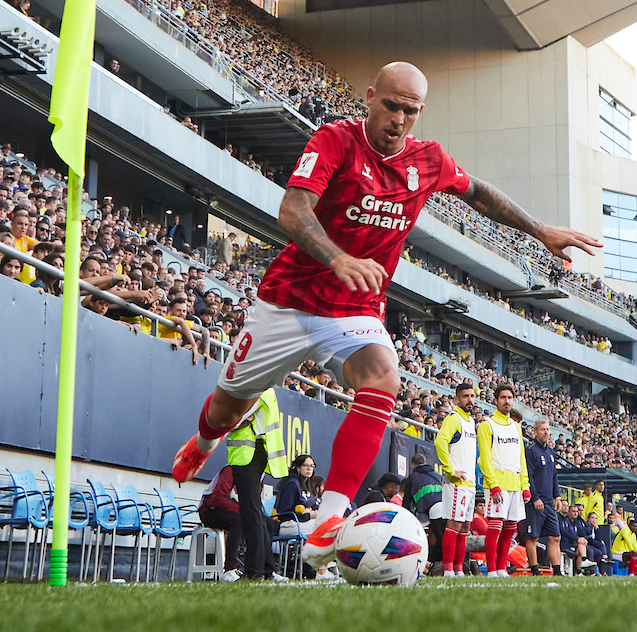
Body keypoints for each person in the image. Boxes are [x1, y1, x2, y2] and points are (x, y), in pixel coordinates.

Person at [171, 62, 600, 573]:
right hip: (287, 303)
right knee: (224, 410)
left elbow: (479, 192)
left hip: (354, 309)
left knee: (383, 379)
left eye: (410, 111)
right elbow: (293, 210)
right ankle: (201, 444)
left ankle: (330, 518)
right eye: (391, 105)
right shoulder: (335, 141)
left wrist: (539, 228)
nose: (398, 118)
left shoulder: (428, 160)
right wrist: (338, 258)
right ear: (370, 97)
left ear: (420, 113)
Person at [227, 387, 287, 581]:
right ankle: (266, 570)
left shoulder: (255, 386)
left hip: (248, 454)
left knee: (250, 513)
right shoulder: (267, 389)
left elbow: (231, 420)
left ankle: (254, 572)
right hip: (256, 452)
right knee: (256, 513)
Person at [477, 384, 531, 578]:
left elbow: (521, 458)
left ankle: (501, 568)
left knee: (510, 529)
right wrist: (493, 485)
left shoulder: (517, 427)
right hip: (497, 484)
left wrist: (525, 486)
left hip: (515, 484)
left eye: (509, 398)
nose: (507, 401)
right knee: (494, 529)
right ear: (496, 400)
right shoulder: (487, 425)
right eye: (503, 398)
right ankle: (491, 569)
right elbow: (484, 458)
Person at [436, 382, 478, 577]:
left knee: (464, 528)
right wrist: (450, 470)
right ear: (456, 399)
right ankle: (448, 570)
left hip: (469, 484)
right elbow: (440, 441)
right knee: (453, 525)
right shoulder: (454, 418)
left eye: (472, 396)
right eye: (465, 396)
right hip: (457, 483)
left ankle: (459, 569)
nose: (470, 399)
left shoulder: (470, 421)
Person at [524, 418, 562, 576]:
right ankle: (535, 570)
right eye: (542, 429)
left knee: (555, 537)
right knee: (532, 537)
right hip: (536, 502)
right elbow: (528, 476)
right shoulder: (531, 451)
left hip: (549, 502)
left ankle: (558, 571)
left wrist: (557, 496)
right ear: (535, 432)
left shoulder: (550, 452)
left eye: (547, 429)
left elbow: (554, 476)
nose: (546, 432)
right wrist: (535, 498)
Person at [197, 465, 243, 580]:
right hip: (209, 510)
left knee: (264, 523)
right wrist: (241, 510)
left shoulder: (254, 478)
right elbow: (217, 499)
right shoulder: (230, 471)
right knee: (238, 522)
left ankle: (263, 570)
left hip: (226, 509)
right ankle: (229, 568)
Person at [402, 452, 446, 571]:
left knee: (435, 538)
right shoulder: (437, 475)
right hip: (444, 506)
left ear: (412, 465)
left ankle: (437, 564)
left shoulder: (412, 477)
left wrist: (406, 516)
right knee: (442, 537)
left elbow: (407, 500)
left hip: (428, 510)